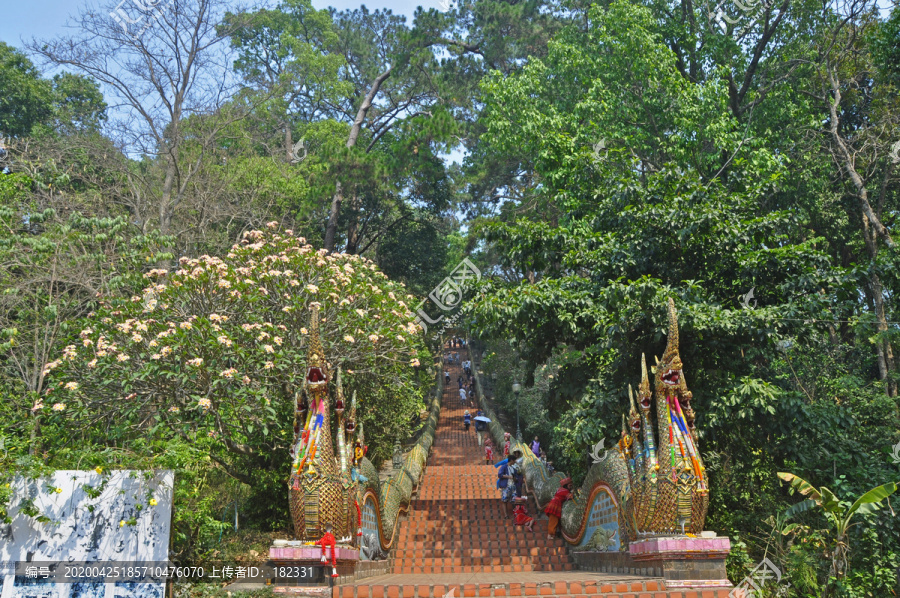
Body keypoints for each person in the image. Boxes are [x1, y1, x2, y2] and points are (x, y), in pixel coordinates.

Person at [498, 452, 520, 517]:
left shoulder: (513, 468)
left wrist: (515, 479)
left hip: (513, 485)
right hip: (506, 485)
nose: (515, 462)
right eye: (514, 461)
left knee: (515, 500)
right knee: (504, 500)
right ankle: (506, 515)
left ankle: (516, 513)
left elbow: (516, 477)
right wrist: (508, 476)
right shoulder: (504, 467)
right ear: (511, 460)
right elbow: (499, 475)